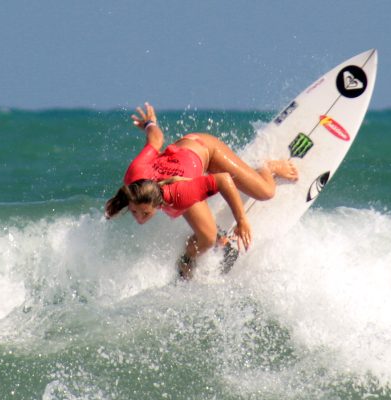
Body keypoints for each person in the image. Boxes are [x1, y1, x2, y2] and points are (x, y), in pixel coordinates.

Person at [105, 103, 298, 278]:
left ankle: (267, 167)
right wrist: (149, 124)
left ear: (157, 202)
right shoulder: (134, 176)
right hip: (184, 166)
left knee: (265, 193)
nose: (139, 219)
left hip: (205, 149)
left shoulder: (179, 194)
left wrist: (241, 220)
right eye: (134, 212)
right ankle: (200, 250)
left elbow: (223, 181)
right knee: (206, 236)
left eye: (145, 213)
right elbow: (155, 140)